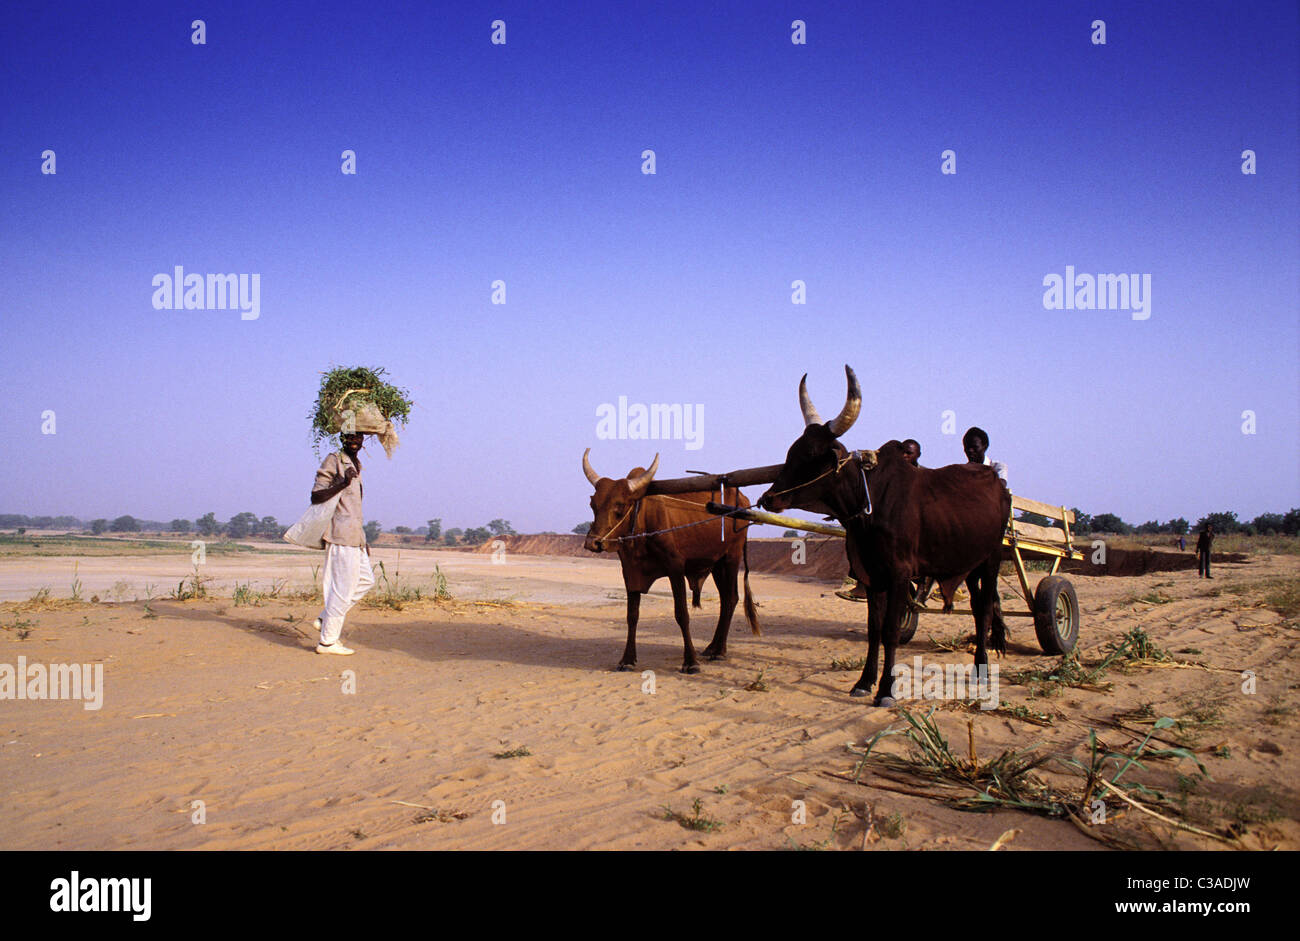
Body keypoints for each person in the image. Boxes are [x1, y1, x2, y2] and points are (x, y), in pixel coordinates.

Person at [310, 431, 375, 654]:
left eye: (358, 437)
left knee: (366, 580)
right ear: (342, 438)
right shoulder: (334, 460)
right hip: (340, 535)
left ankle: (325, 616)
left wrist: (362, 539)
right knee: (342, 589)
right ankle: (327, 642)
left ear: (363, 440)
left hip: (354, 536)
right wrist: (342, 483)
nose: (354, 441)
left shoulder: (357, 464)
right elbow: (316, 496)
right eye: (350, 437)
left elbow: (354, 509)